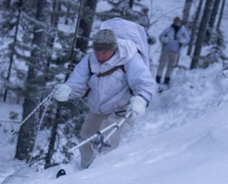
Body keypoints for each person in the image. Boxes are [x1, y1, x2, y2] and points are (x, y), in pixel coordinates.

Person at [53, 29, 157, 170]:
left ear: (113, 49)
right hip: (97, 109)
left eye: (104, 53)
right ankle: (84, 172)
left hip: (121, 109)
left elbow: (145, 83)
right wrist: (67, 91)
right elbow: (77, 83)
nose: (100, 56)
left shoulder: (129, 59)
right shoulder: (90, 60)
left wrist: (141, 100)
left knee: (107, 141)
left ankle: (103, 176)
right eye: (97, 52)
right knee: (86, 139)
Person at [156, 16, 190, 86]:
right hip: (165, 49)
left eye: (177, 21)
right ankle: (158, 77)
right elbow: (161, 36)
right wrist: (164, 39)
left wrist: (182, 40)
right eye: (175, 20)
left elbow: (187, 39)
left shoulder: (183, 30)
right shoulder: (168, 29)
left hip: (175, 51)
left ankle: (167, 79)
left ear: (180, 21)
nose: (176, 22)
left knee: (171, 66)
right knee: (162, 64)